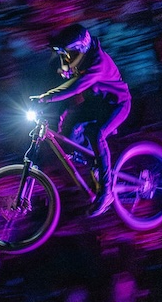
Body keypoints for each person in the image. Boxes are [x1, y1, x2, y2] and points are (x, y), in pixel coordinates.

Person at [31, 24, 132, 215]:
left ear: (80, 50)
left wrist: (46, 97)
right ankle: (95, 162)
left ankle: (106, 191)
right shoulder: (79, 59)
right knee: (67, 132)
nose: (66, 59)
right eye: (64, 55)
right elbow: (67, 82)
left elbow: (75, 87)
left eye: (68, 54)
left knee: (97, 134)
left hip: (117, 105)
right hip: (95, 105)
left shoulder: (97, 63)